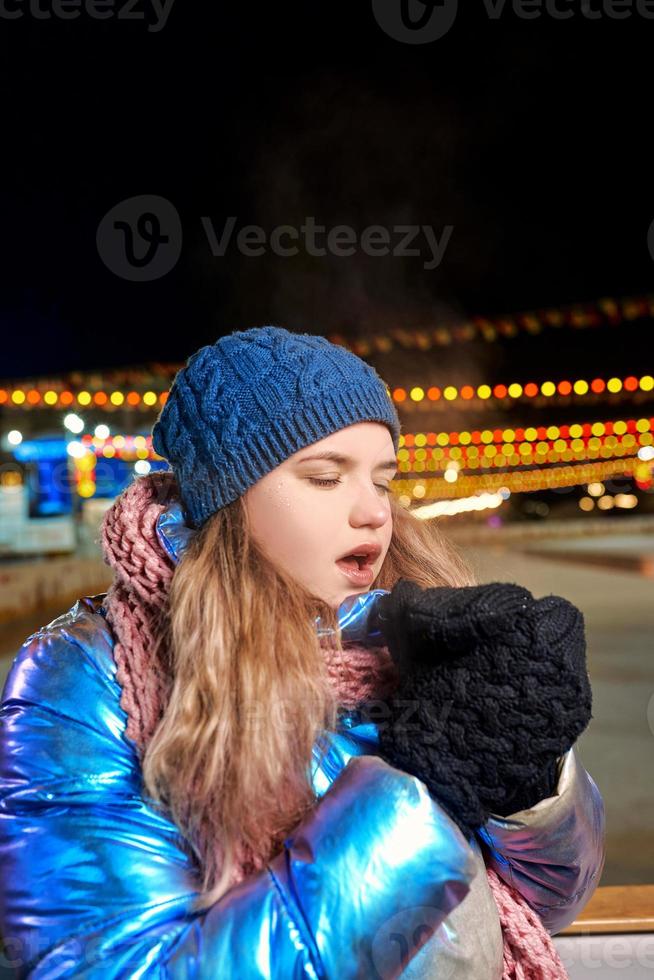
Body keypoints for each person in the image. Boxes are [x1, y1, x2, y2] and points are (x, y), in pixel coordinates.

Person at [0, 325, 605, 979]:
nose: (374, 512)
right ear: (227, 498)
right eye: (324, 476)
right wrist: (426, 796)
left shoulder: (416, 631)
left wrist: (535, 785)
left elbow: (549, 902)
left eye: (382, 480)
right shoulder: (86, 678)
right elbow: (114, 967)